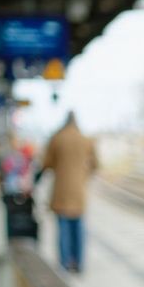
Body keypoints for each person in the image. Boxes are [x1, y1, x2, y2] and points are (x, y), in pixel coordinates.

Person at [38, 113, 98, 272]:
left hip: (61, 192)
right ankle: (78, 263)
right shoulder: (86, 140)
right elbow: (96, 165)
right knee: (78, 229)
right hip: (79, 192)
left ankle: (64, 264)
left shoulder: (57, 138)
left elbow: (46, 163)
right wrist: (83, 175)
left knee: (63, 229)